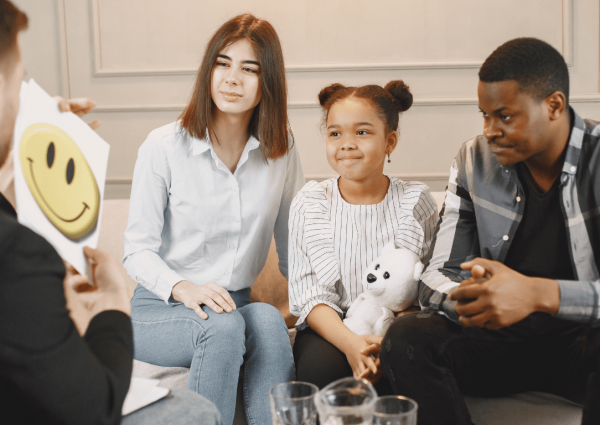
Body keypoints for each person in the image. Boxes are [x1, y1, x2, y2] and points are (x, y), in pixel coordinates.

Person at [0, 1, 221, 423]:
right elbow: (92, 406)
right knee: (192, 412)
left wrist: (27, 145)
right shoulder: (17, 255)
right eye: (18, 82)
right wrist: (114, 304)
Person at [380, 37, 600, 425]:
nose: (489, 130)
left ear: (554, 105)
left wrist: (537, 294)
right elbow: (436, 275)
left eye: (505, 116)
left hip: (581, 343)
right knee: (407, 338)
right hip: (498, 341)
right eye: (484, 115)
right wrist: (479, 299)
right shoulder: (473, 159)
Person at [123, 13, 304, 425]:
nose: (231, 79)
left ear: (267, 82)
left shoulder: (282, 150)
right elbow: (136, 252)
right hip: (160, 310)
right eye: (222, 64)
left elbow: (297, 247)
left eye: (249, 68)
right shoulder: (164, 147)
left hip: (234, 306)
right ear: (209, 70)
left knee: (269, 320)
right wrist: (184, 288)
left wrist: (323, 307)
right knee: (220, 327)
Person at [288, 81, 438, 393]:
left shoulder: (415, 202)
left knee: (403, 368)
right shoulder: (311, 202)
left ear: (390, 141)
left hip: (394, 326)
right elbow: (309, 295)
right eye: (335, 133)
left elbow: (422, 288)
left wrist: (385, 343)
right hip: (329, 327)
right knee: (322, 372)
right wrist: (352, 344)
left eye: (362, 132)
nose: (346, 143)